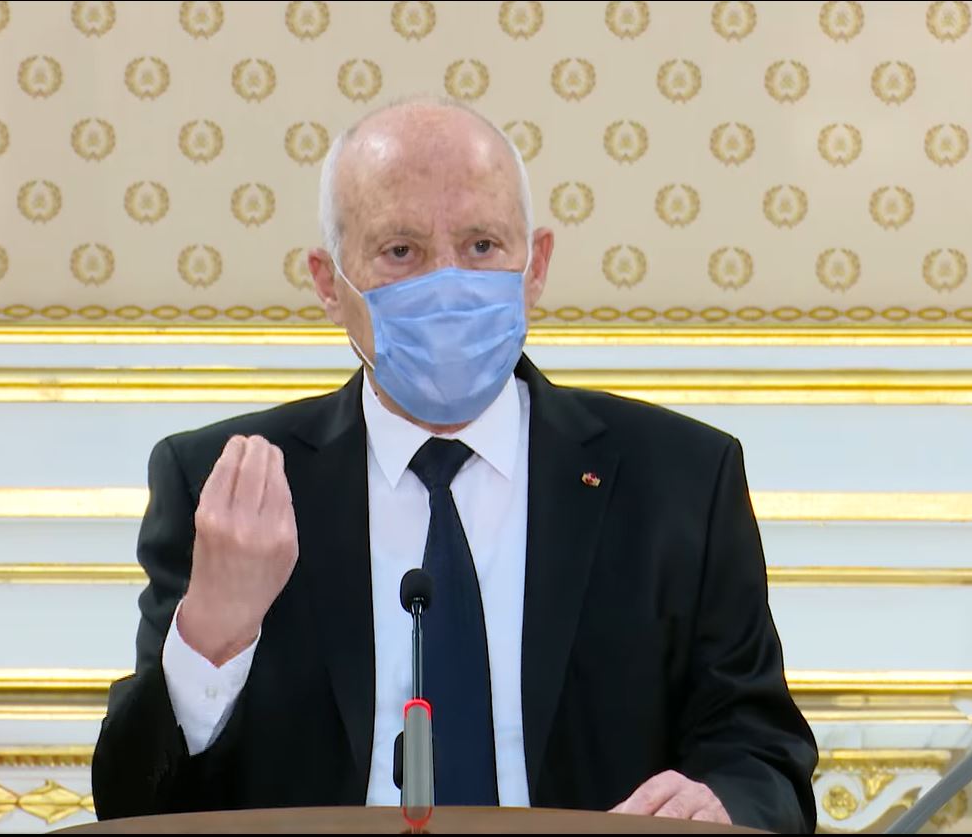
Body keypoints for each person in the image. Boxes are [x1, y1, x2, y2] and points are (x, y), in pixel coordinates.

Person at [92, 98, 817, 832]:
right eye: (400, 251)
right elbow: (134, 804)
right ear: (328, 282)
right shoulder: (225, 485)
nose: (447, 282)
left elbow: (761, 753)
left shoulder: (679, 479)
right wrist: (213, 636)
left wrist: (723, 802)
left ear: (535, 265)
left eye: (480, 245)